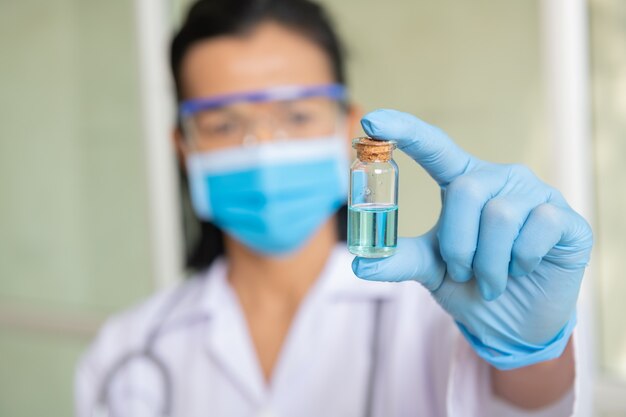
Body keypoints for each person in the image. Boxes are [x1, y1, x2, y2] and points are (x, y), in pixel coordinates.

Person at [75, 0, 593, 416]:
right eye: (225, 125)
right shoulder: (127, 350)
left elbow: (532, 404)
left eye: (297, 115)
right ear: (185, 146)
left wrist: (533, 349)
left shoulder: (435, 315)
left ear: (349, 126)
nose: (264, 148)